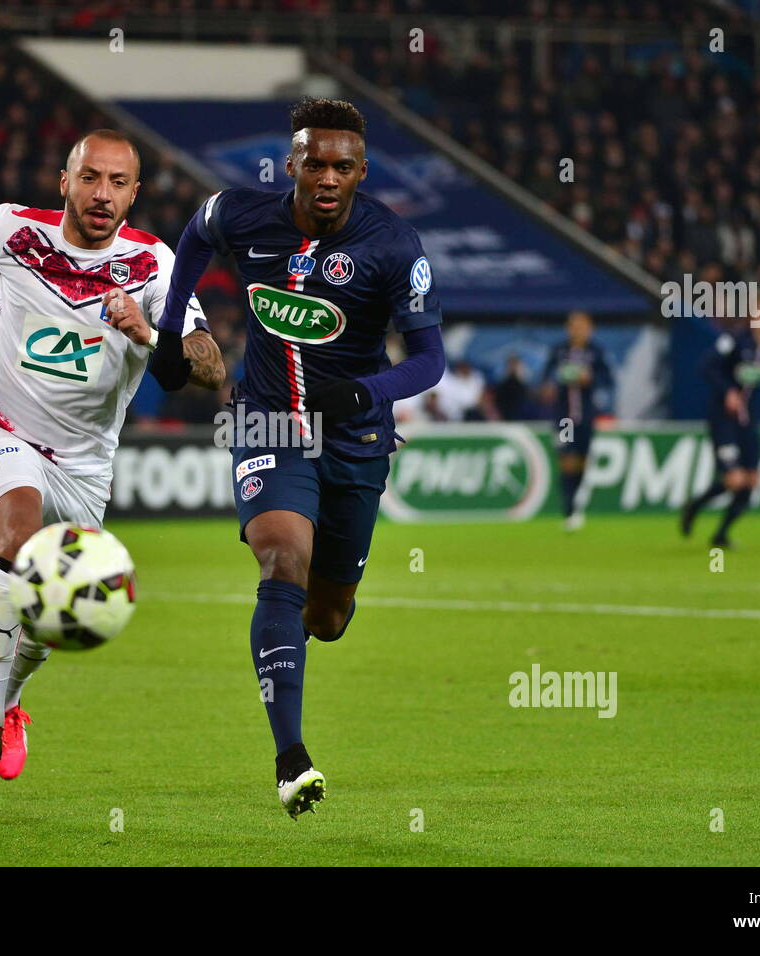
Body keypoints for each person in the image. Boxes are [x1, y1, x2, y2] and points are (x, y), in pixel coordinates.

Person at [0, 130, 225, 785]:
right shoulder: (13, 231)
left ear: (134, 193)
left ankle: (11, 705)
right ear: (64, 180)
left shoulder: (156, 267)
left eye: (117, 183)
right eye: (90, 178)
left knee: (55, 614)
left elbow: (211, 367)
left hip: (84, 468)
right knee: (16, 543)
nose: (102, 194)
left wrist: (149, 334)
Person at [150, 97, 445, 818]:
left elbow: (430, 361)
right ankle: (291, 758)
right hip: (268, 422)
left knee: (328, 615)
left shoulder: (394, 245)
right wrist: (169, 332)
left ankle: (317, 617)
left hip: (356, 438)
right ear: (292, 164)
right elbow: (192, 237)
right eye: (314, 161)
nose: (326, 176)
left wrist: (363, 394)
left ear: (361, 172)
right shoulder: (241, 214)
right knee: (280, 557)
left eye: (342, 166)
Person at [681, 304, 760, 548]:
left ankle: (721, 534)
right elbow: (707, 366)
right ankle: (694, 506)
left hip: (748, 421)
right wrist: (728, 392)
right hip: (723, 419)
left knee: (752, 479)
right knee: (734, 479)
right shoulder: (734, 340)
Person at [540, 312, 612, 531]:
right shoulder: (559, 350)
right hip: (564, 417)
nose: (578, 330)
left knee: (581, 461)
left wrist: (590, 378)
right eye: (574, 326)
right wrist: (548, 386)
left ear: (590, 329)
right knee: (567, 459)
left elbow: (607, 378)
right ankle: (569, 510)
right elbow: (546, 376)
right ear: (568, 328)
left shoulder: (595, 352)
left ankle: (576, 504)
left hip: (586, 416)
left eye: (582, 326)